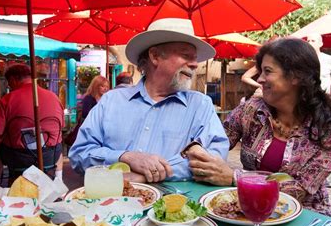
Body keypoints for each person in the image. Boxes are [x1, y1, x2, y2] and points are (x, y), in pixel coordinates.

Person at [185, 38, 331, 216]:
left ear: (296, 76)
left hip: (305, 218)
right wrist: (198, 148)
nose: (260, 79)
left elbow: (300, 189)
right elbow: (218, 141)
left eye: (267, 71)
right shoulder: (251, 109)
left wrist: (236, 178)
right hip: (249, 208)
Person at [69, 18, 229, 183]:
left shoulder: (200, 105)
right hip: (110, 204)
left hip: (170, 207)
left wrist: (147, 175)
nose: (195, 64)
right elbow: (79, 154)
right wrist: (125, 157)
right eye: (185, 55)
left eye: (195, 58)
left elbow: (213, 159)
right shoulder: (111, 101)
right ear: (155, 56)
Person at [0, 64, 64, 183]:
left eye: (9, 83)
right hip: (49, 156)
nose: (9, 86)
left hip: (18, 158)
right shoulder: (54, 97)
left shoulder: (6, 100)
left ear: (13, 80)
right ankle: (59, 181)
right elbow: (60, 129)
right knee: (57, 143)